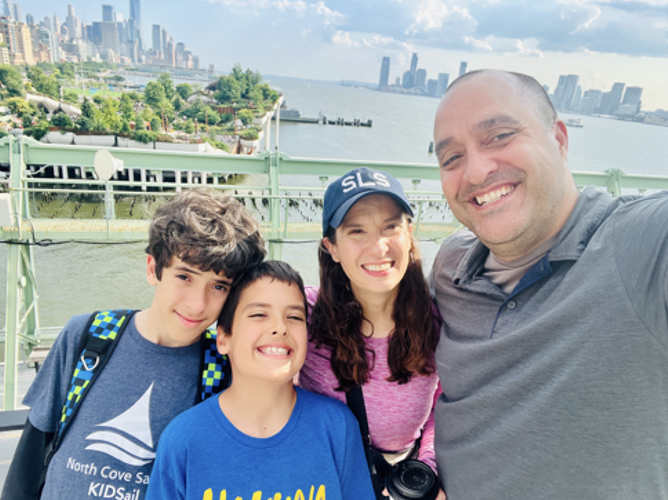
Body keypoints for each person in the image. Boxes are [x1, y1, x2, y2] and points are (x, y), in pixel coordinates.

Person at [430, 69, 668, 500]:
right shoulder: (451, 268)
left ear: (558, 139)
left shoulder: (641, 245)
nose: (477, 171)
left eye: (500, 135)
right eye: (451, 159)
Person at [2, 189, 266, 500]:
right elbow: (29, 462)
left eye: (219, 286)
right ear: (153, 268)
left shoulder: (223, 370)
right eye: (184, 277)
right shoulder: (88, 337)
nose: (197, 305)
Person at [145, 260, 374, 500]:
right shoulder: (184, 439)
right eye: (258, 314)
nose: (280, 327)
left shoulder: (337, 427)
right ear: (223, 338)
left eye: (295, 317)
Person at [299, 167, 445, 499]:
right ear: (331, 247)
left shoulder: (439, 318)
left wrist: (426, 469)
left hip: (406, 478)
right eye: (357, 231)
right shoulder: (305, 316)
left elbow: (445, 401)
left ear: (409, 235)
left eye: (390, 227)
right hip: (332, 478)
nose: (378, 247)